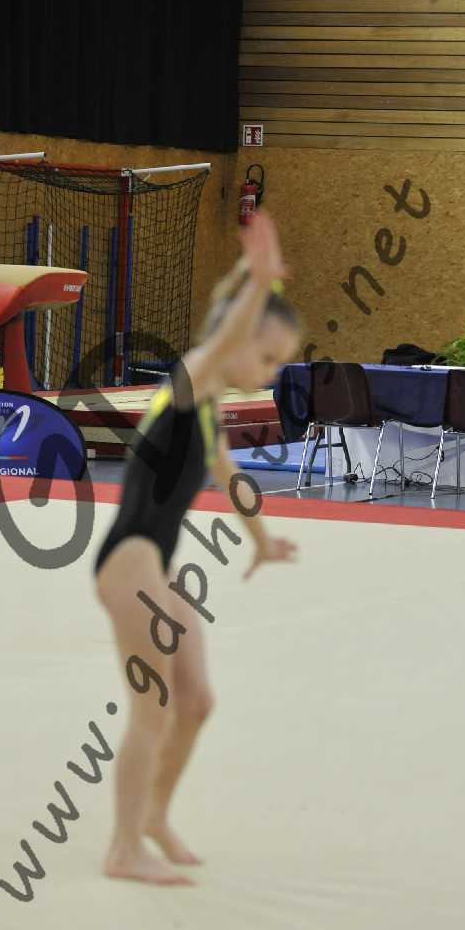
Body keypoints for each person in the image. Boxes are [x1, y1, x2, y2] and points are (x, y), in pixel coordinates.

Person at [93, 211, 301, 885]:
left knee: (196, 701)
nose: (269, 373)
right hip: (128, 562)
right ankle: (123, 849)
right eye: (266, 357)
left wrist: (263, 541)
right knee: (151, 708)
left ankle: (153, 817)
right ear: (235, 338)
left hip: (158, 566)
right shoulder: (189, 377)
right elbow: (224, 339)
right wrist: (257, 284)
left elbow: (231, 478)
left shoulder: (205, 411)